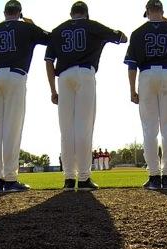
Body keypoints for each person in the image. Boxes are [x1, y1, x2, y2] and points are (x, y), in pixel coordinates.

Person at [45, 1, 127, 191]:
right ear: (86, 13)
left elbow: (49, 61)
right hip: (85, 74)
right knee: (84, 127)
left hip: (63, 77)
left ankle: (68, 179)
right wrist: (106, 37)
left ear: (71, 13)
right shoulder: (93, 26)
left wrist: (52, 90)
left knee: (66, 130)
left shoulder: (58, 30)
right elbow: (123, 38)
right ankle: (83, 178)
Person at [0, 0, 50, 192]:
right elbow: (51, 39)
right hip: (15, 76)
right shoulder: (27, 28)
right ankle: (10, 179)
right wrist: (33, 25)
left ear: (4, 13)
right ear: (19, 12)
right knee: (12, 128)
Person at [124, 0, 167, 190]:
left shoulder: (137, 32)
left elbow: (131, 65)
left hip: (145, 76)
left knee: (149, 130)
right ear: (162, 11)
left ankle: (154, 176)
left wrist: (132, 90)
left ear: (147, 12)